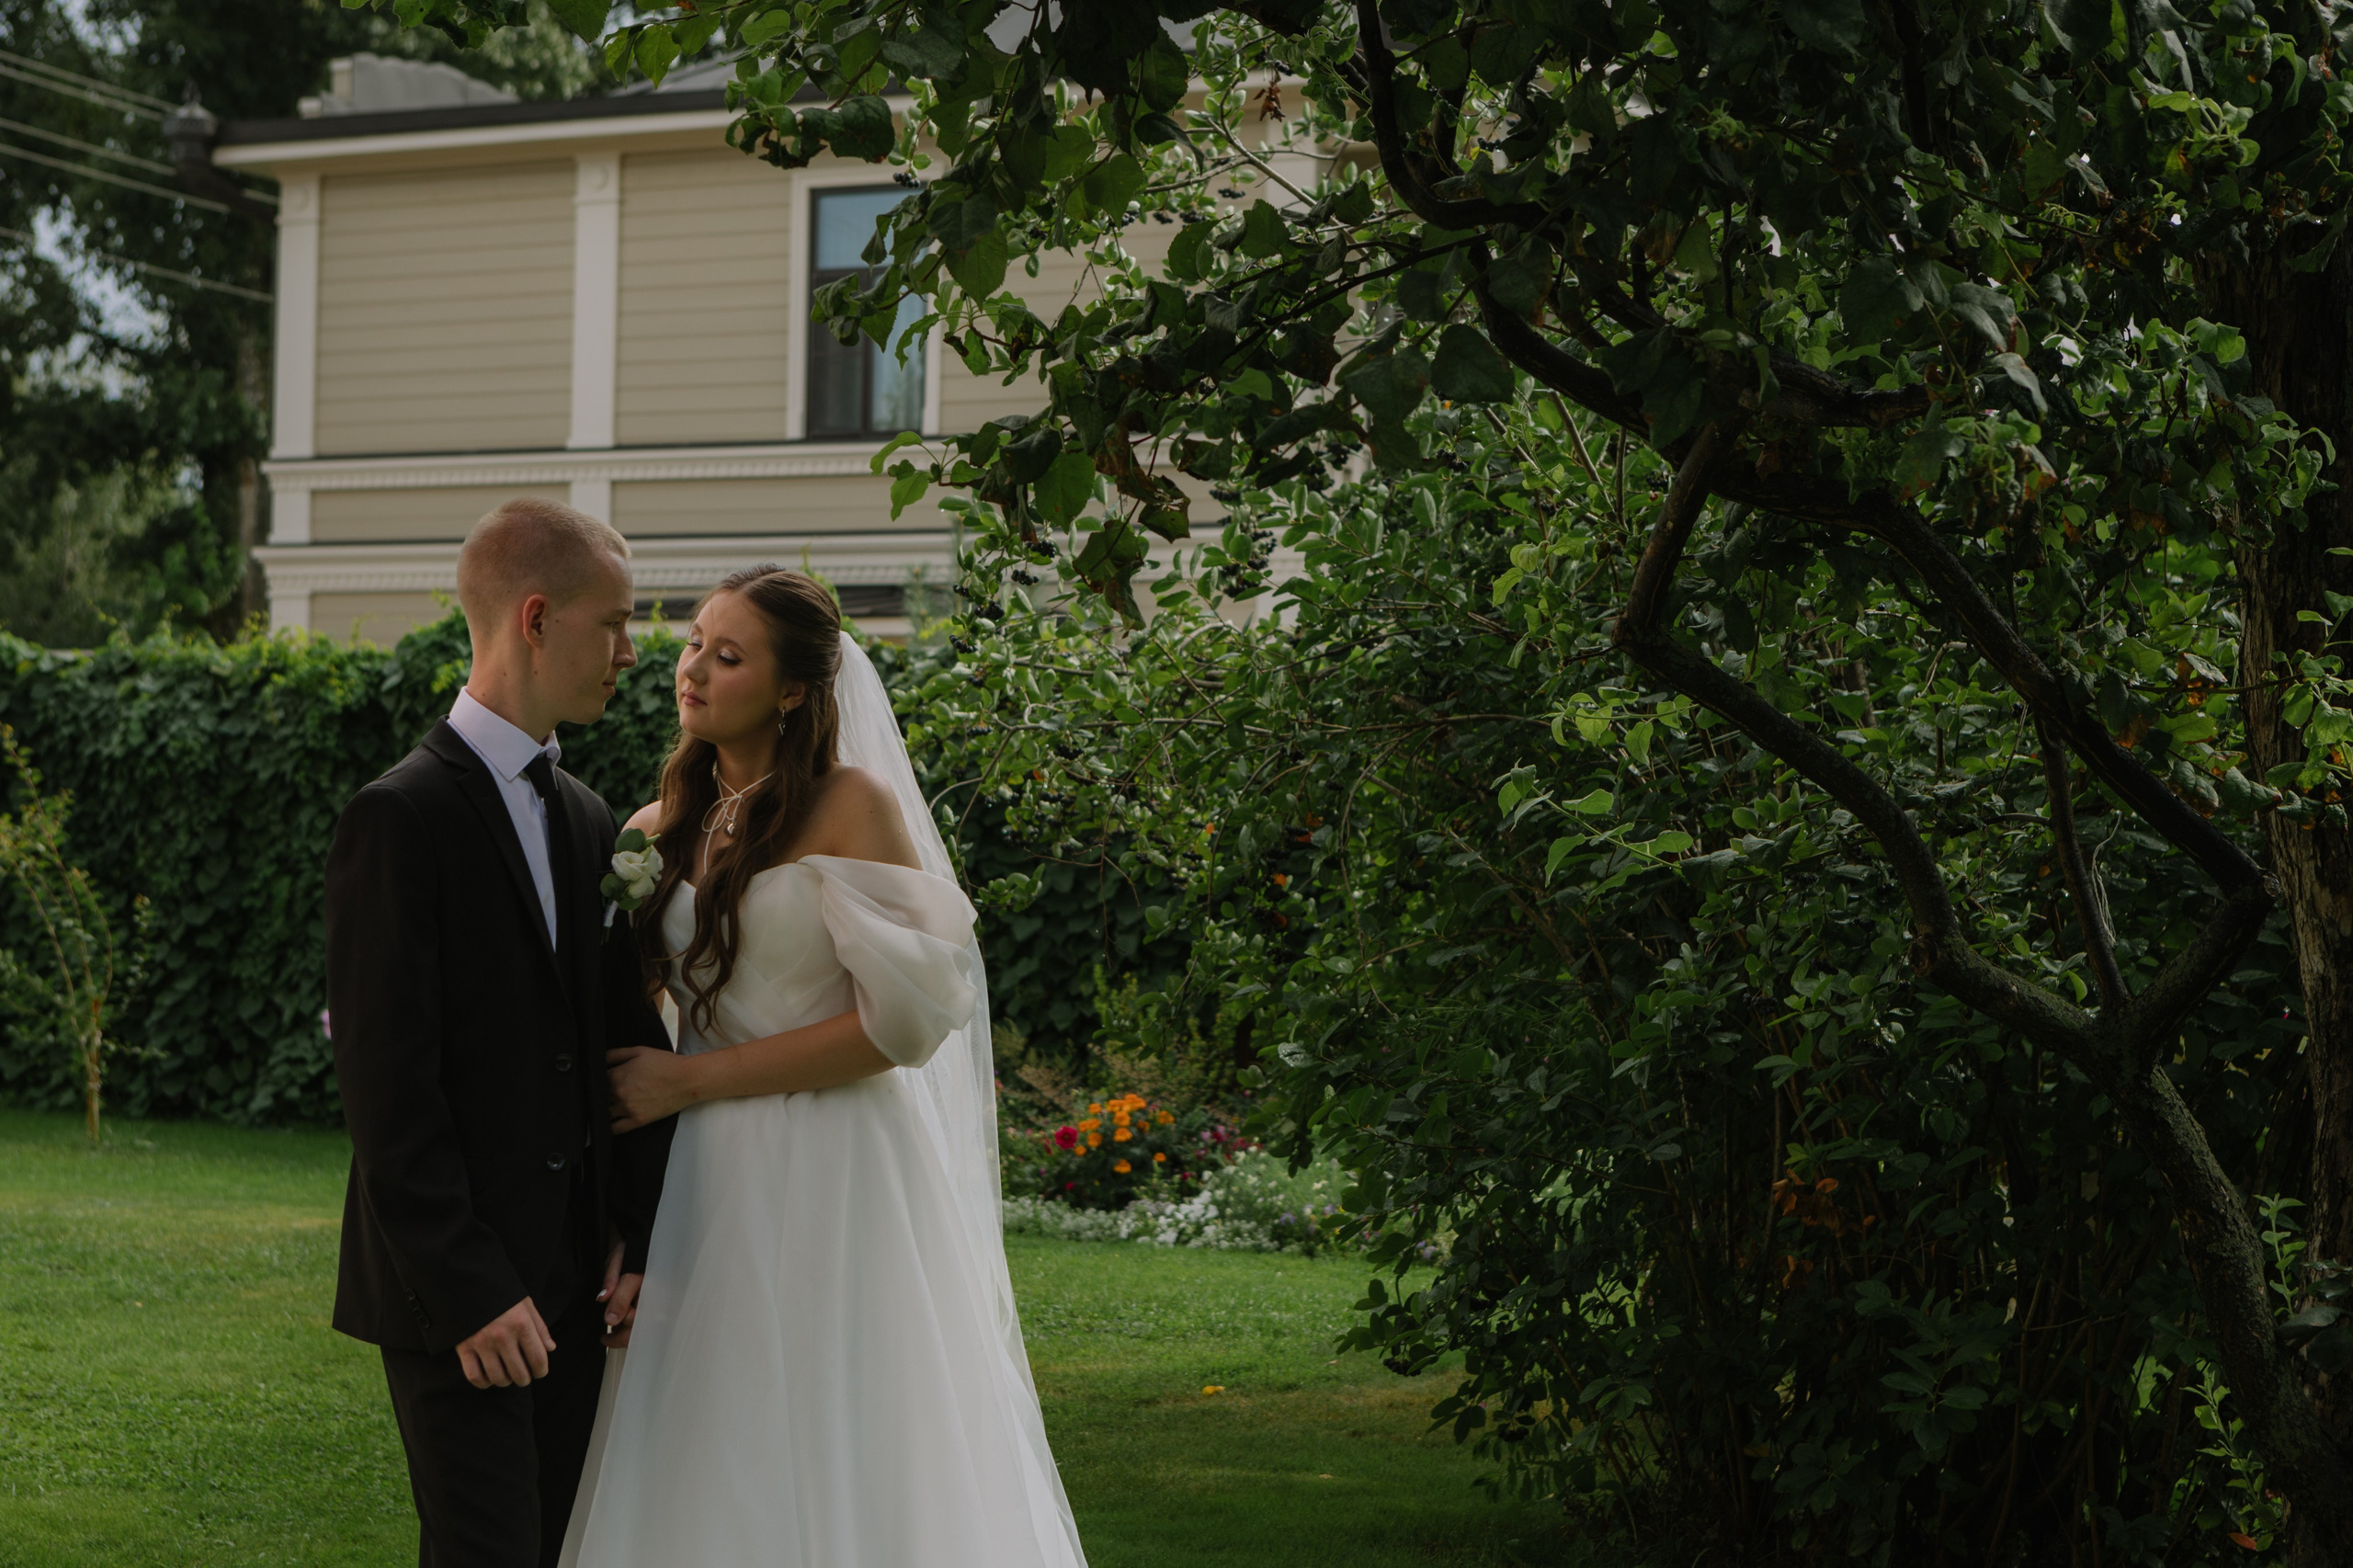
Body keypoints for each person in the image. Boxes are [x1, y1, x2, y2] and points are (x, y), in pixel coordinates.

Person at [559, 567, 1087, 1567]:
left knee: (843, 1422)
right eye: (691, 645)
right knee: (707, 1427)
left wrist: (692, 1080)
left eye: (728, 654)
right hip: (699, 1176)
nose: (693, 670)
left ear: (795, 688)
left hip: (837, 1159)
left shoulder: (852, 804)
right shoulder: (651, 826)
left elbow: (900, 1028)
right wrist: (630, 1217)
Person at [324, 498, 678, 1568]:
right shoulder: (400, 815)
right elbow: (388, 1089)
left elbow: (620, 1046)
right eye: (613, 622)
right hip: (459, 1296)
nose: (631, 651)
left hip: (577, 1284)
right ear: (535, 617)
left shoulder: (587, 815)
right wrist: (473, 1291)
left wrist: (634, 1232)